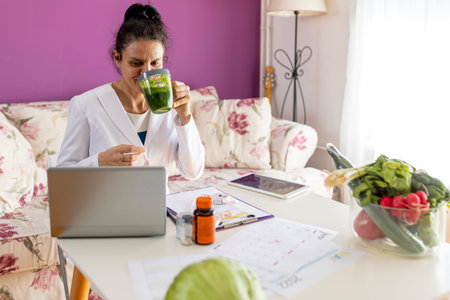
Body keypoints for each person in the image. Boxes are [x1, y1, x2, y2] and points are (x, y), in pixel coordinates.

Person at [57, 2, 205, 180]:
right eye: (136, 63)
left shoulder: (170, 105)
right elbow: (63, 175)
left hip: (158, 206)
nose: (147, 73)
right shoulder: (86, 105)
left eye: (155, 63)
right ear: (118, 58)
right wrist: (100, 161)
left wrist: (184, 117)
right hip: (107, 206)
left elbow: (193, 172)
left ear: (163, 60)